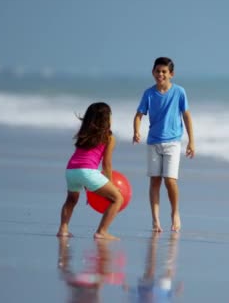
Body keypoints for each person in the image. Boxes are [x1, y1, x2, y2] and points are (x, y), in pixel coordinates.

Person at [133, 57, 195, 232]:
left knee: (170, 180)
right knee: (155, 181)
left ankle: (175, 213)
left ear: (171, 74)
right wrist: (137, 131)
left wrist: (191, 141)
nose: (160, 74)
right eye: (157, 71)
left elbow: (187, 116)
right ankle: (155, 220)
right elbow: (138, 115)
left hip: (173, 142)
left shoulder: (179, 92)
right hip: (153, 142)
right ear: (153, 72)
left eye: (164, 72)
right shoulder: (149, 93)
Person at [57, 102, 124, 240]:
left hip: (71, 170)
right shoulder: (109, 138)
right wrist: (111, 185)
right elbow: (107, 164)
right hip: (87, 172)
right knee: (118, 198)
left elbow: (82, 162)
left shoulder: (83, 133)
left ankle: (63, 229)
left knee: (71, 200)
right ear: (107, 119)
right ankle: (102, 232)